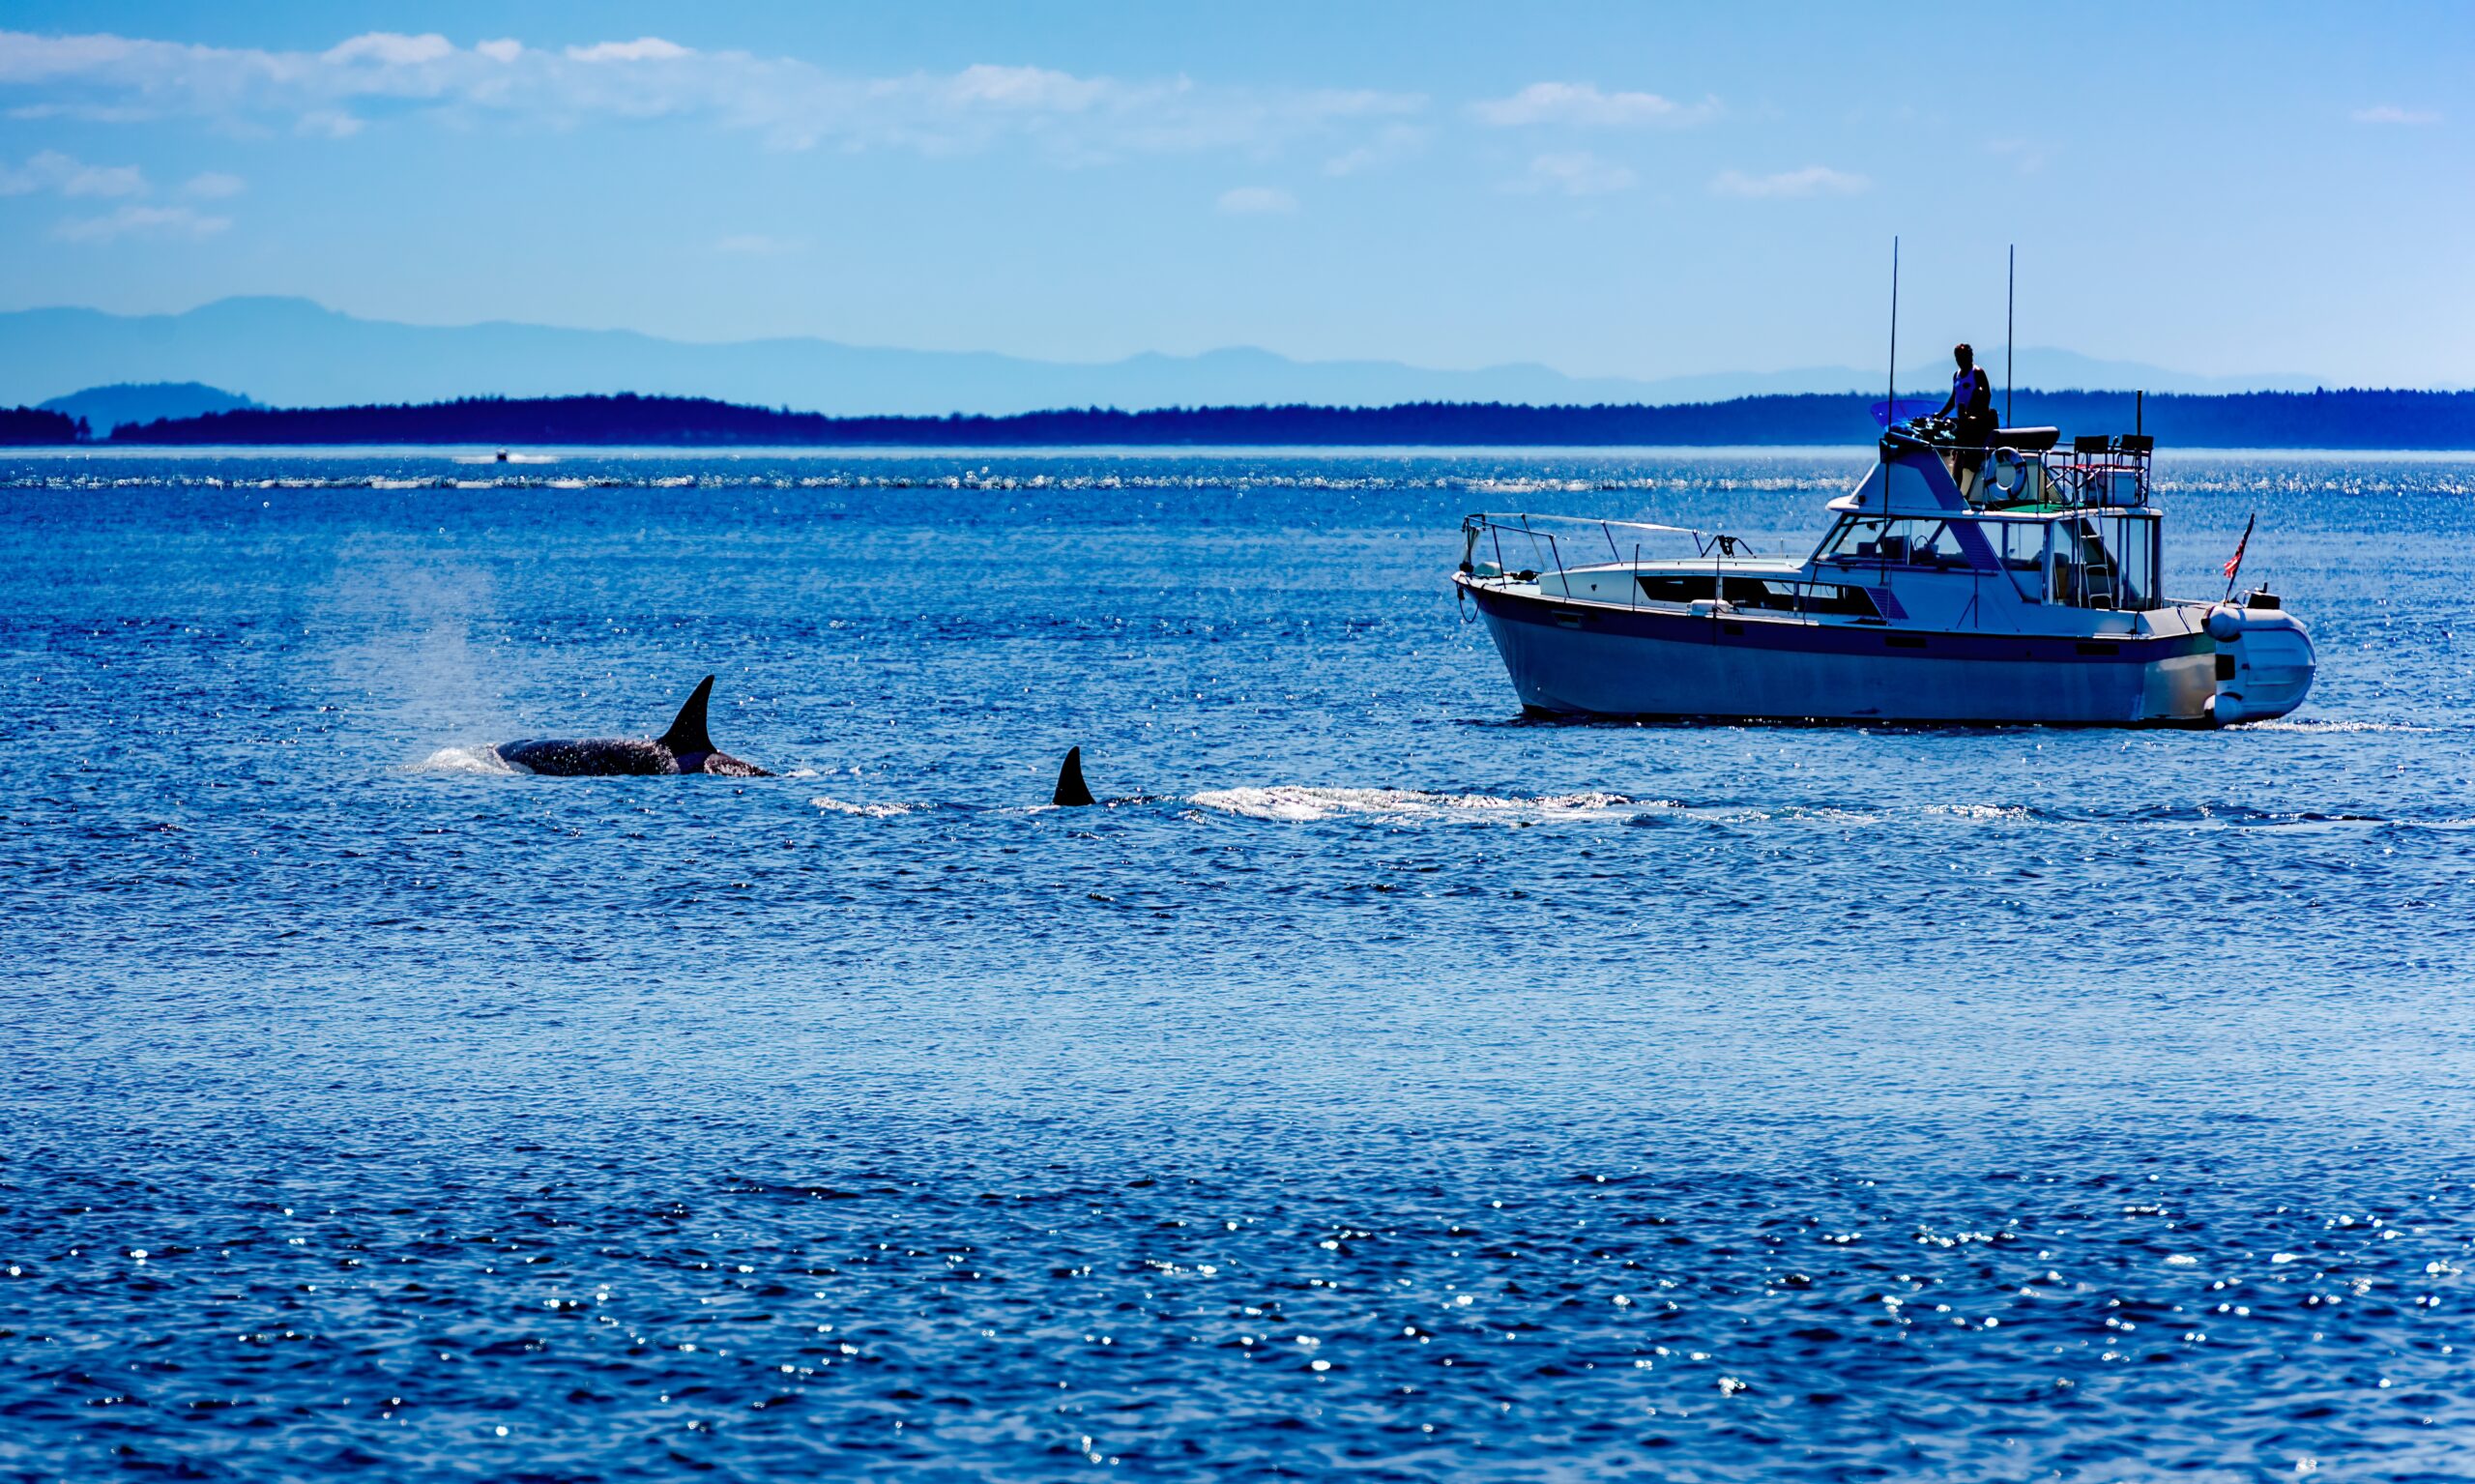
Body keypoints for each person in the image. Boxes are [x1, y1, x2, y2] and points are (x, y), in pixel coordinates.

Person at [1935, 343, 1996, 495]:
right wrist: (1940, 415)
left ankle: (1966, 488)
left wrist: (1978, 413)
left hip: (1975, 421)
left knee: (1968, 455)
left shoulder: (1977, 372)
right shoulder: (1956, 375)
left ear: (1970, 356)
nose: (1960, 360)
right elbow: (1953, 398)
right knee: (1959, 455)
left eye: (1963, 356)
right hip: (1962, 421)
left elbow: (1987, 394)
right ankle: (1956, 491)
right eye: (1958, 357)